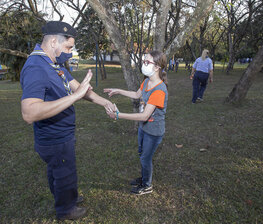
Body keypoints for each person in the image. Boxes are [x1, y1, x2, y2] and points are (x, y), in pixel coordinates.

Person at [20, 21, 115, 221]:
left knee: (59, 171)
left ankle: (65, 197)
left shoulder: (52, 63)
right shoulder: (36, 67)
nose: (70, 53)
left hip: (61, 135)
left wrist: (102, 101)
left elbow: (76, 86)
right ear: (54, 41)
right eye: (68, 47)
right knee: (64, 174)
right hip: (54, 138)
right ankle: (66, 209)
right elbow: (28, 113)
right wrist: (75, 97)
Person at [104, 51, 168, 195]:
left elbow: (145, 116)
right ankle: (145, 178)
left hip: (154, 131)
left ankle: (147, 185)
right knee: (142, 154)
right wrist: (118, 91)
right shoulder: (146, 81)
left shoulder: (159, 90)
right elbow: (136, 94)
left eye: (147, 62)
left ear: (157, 67)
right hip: (143, 128)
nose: (143, 64)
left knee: (146, 158)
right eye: (144, 61)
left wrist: (118, 115)